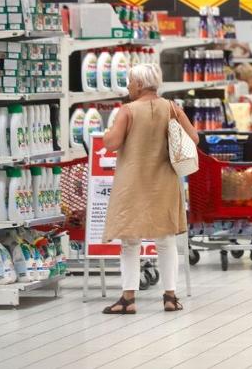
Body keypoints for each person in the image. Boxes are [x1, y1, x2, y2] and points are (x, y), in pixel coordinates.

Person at [100, 63, 199, 314]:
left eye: (131, 82)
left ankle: (128, 298)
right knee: (165, 241)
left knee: (130, 242)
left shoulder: (128, 111)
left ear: (140, 84)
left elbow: (112, 143)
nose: (128, 86)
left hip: (132, 182)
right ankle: (170, 297)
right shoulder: (172, 108)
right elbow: (194, 139)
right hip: (164, 181)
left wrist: (105, 134)